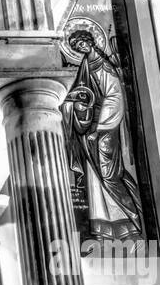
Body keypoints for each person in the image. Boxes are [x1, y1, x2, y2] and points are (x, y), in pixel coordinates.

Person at [62, 29, 145, 243]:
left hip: (106, 127)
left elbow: (114, 97)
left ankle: (133, 217)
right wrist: (74, 105)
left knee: (109, 174)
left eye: (82, 43)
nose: (81, 48)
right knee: (97, 177)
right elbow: (81, 92)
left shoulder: (104, 66)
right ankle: (109, 226)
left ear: (90, 42)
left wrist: (98, 129)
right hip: (92, 127)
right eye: (76, 47)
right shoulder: (87, 65)